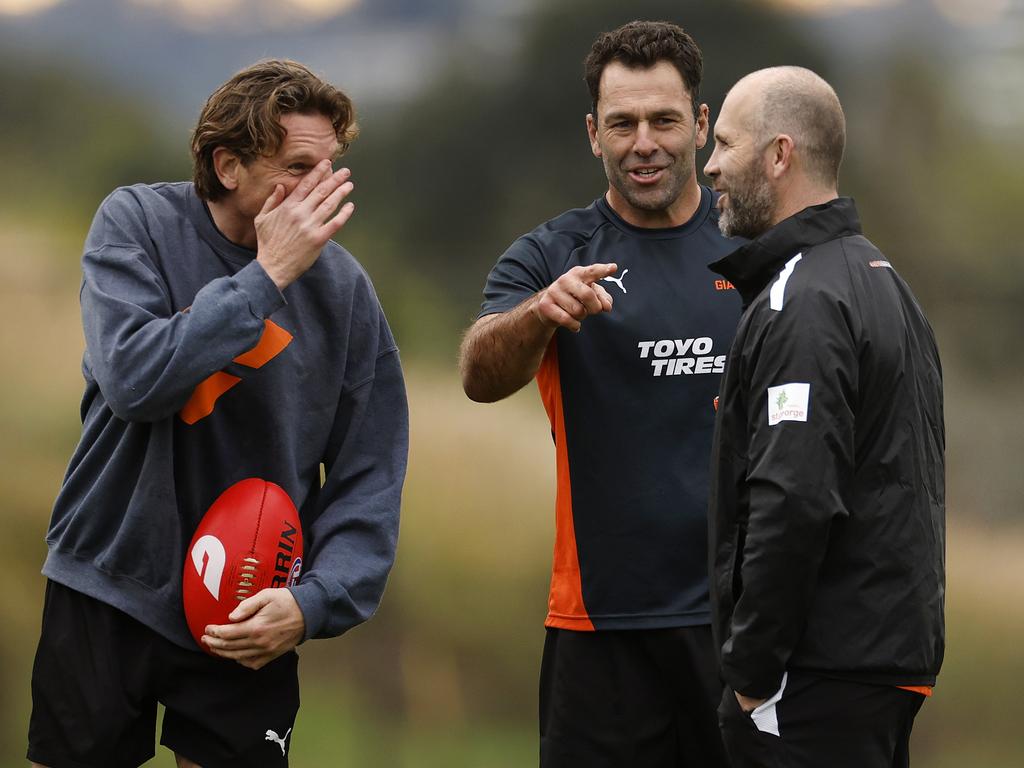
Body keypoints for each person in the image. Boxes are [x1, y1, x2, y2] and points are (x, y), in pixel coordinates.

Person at [27, 59, 408, 768]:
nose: (319, 192)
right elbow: (135, 379)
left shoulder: (348, 293)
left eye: (330, 170)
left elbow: (370, 476)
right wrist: (266, 278)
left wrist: (313, 602)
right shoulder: (135, 223)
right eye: (298, 166)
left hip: (250, 603)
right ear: (228, 164)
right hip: (107, 583)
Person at [460, 20, 740, 767]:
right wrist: (537, 314)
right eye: (622, 123)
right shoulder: (554, 256)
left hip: (742, 621)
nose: (643, 142)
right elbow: (478, 374)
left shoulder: (760, 247)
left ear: (702, 125)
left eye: (663, 120)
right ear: (594, 133)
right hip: (598, 627)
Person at [702, 66, 944, 768]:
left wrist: (749, 673)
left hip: (816, 678)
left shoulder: (803, 300)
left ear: (780, 156)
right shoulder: (886, 282)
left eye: (724, 142)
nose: (710, 164)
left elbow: (794, 496)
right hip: (880, 669)